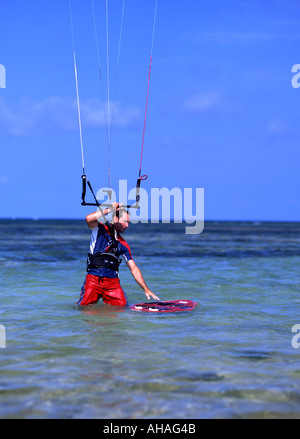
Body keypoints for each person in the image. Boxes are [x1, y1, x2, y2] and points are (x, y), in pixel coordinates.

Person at [77, 202, 160, 307]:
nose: (127, 225)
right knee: (83, 308)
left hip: (112, 283)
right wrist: (108, 210)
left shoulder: (123, 244)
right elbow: (88, 219)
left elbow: (133, 268)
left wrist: (146, 289)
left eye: (128, 222)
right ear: (116, 219)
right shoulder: (99, 230)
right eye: (125, 222)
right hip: (94, 279)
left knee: (122, 307)